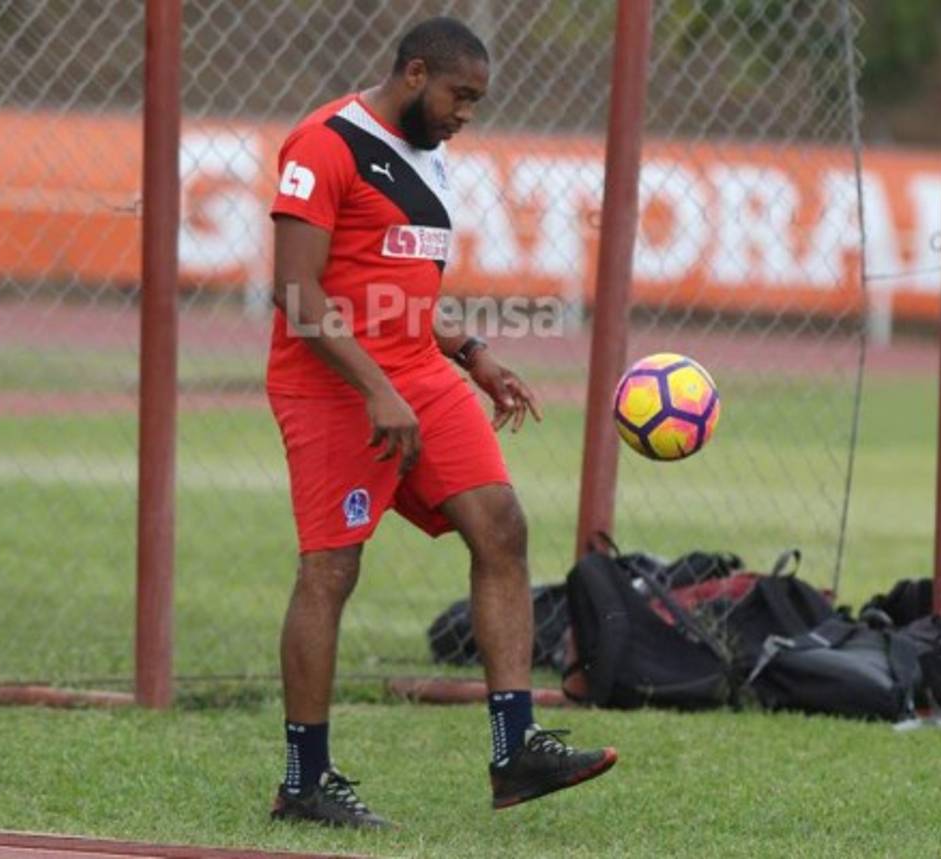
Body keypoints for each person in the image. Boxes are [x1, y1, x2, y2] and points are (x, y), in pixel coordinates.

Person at [266, 17, 616, 829]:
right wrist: (376, 389)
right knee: (330, 571)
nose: (467, 114)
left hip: (419, 372)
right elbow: (296, 292)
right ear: (415, 73)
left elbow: (403, 286)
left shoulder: (432, 156)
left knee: (501, 525)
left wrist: (473, 351)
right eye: (461, 96)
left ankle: (515, 750)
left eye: (476, 102)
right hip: (332, 383)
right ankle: (304, 782)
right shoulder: (323, 144)